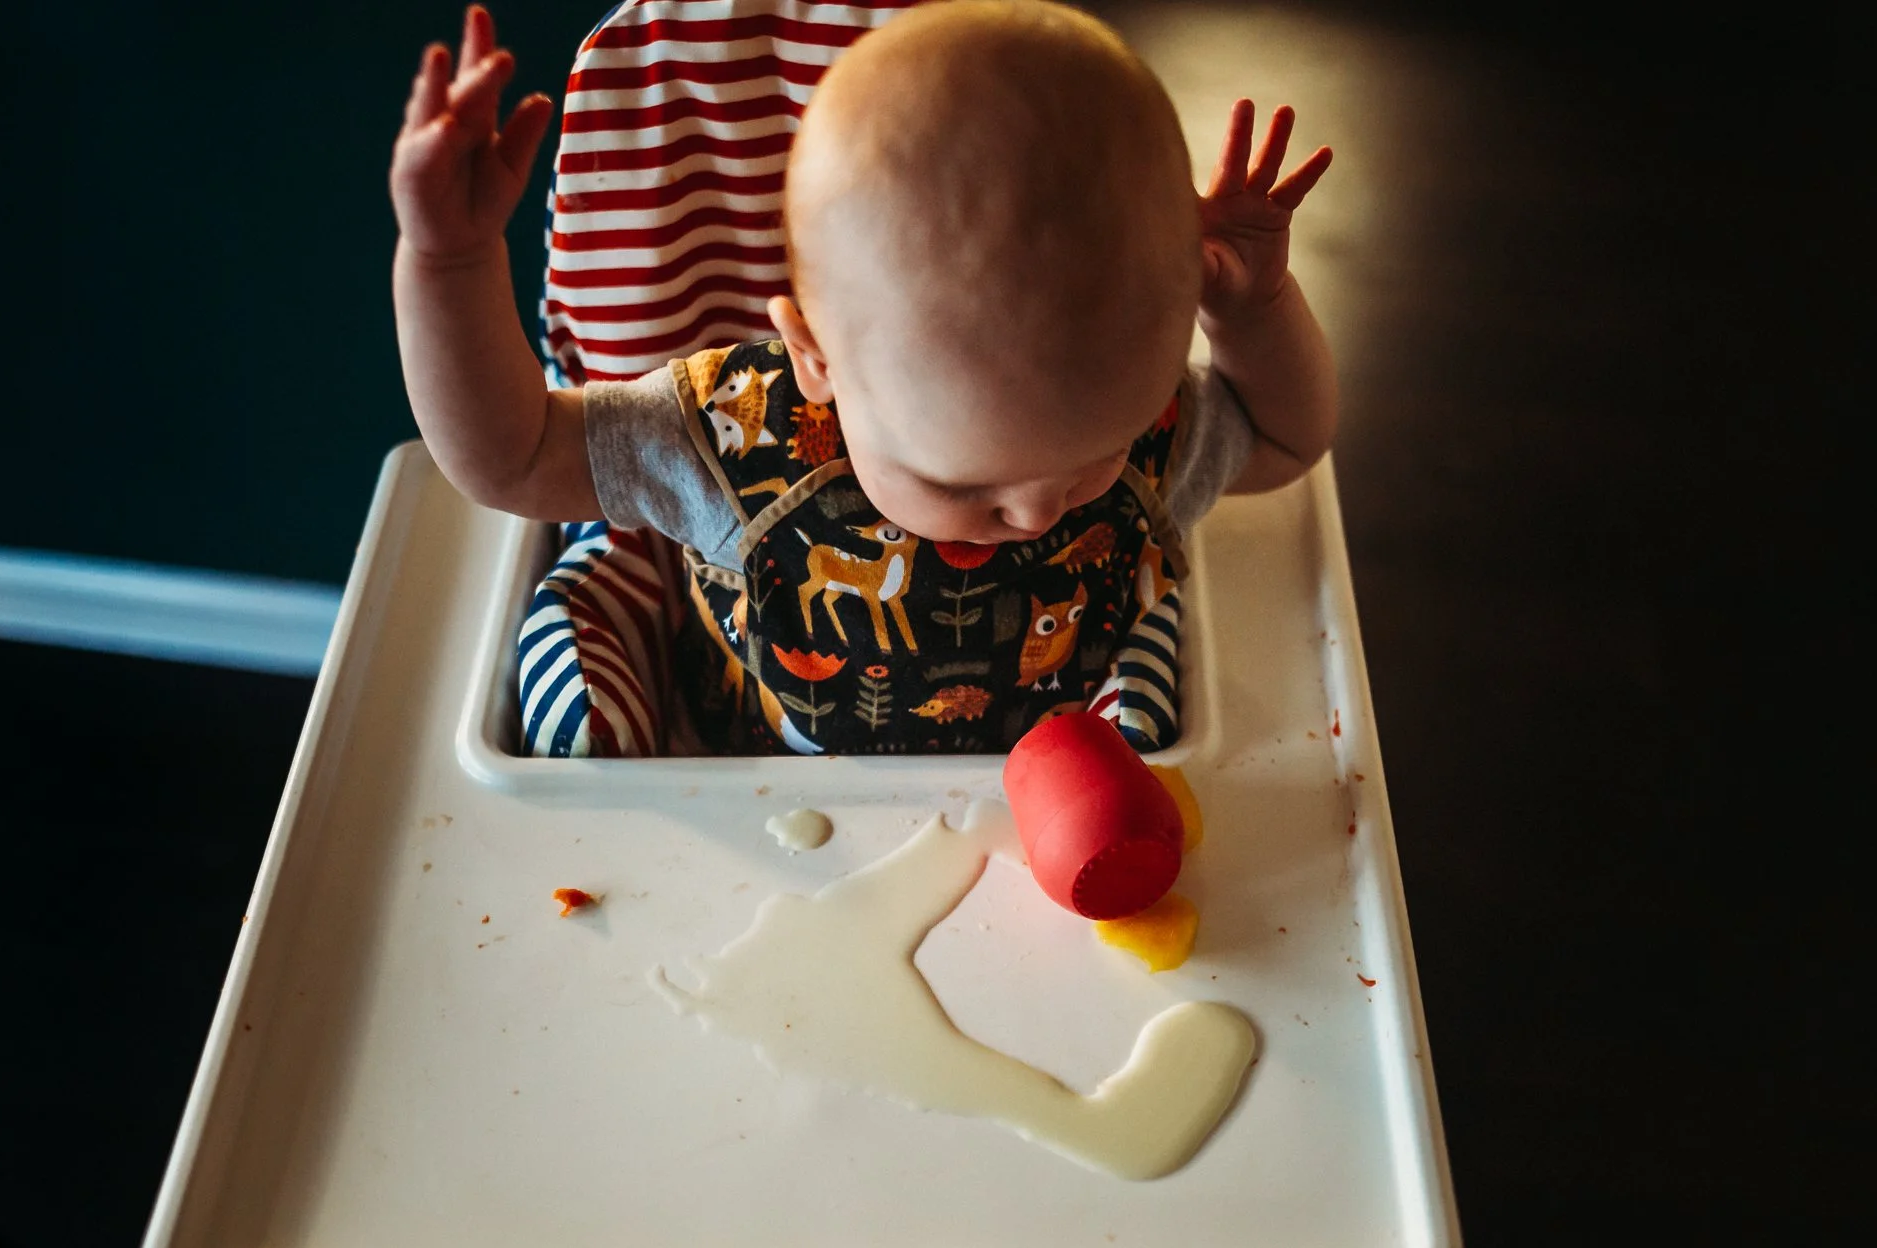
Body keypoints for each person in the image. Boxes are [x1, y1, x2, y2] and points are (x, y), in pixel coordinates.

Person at [391, 1, 1337, 753]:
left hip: (1035, 835)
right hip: (746, 800)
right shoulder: (730, 441)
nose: (1041, 511)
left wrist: (1251, 311)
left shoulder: (1134, 412)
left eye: (1101, 455)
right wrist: (449, 264)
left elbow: (1287, 440)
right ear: (817, 360)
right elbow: (513, 459)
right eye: (961, 484)